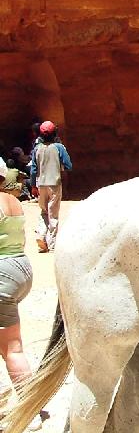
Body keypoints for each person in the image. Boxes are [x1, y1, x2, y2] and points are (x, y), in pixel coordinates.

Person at [0, 164, 44, 430]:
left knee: (12, 350)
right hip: (20, 268)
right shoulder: (13, 201)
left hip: (2, 273)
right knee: (11, 345)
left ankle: (29, 410)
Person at [29, 121, 72, 253]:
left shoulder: (37, 148)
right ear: (55, 134)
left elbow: (33, 170)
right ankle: (52, 244)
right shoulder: (59, 147)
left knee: (44, 212)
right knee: (53, 214)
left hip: (41, 184)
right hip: (54, 184)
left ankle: (41, 236)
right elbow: (68, 165)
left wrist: (33, 186)